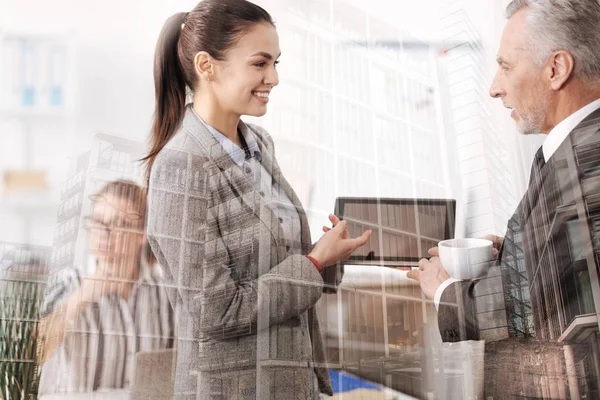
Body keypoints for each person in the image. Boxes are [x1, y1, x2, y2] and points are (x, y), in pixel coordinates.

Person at [142, 0, 372, 399]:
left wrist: (326, 258)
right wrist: (314, 263)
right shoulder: (180, 168)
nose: (274, 78)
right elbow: (218, 311)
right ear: (206, 65)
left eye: (276, 63)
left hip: (291, 380)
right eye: (260, 63)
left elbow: (277, 265)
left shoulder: (259, 143)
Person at [408, 0, 600, 397]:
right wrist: (514, 251)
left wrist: (442, 289)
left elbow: (526, 306)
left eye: (506, 66)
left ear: (556, 69)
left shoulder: (584, 156)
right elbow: (573, 269)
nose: (495, 86)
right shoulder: (575, 147)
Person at [37, 180, 175, 397]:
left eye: (119, 224)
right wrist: (80, 298)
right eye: (98, 221)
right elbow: (33, 352)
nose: (104, 233)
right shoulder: (67, 283)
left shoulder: (166, 296)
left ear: (142, 234)